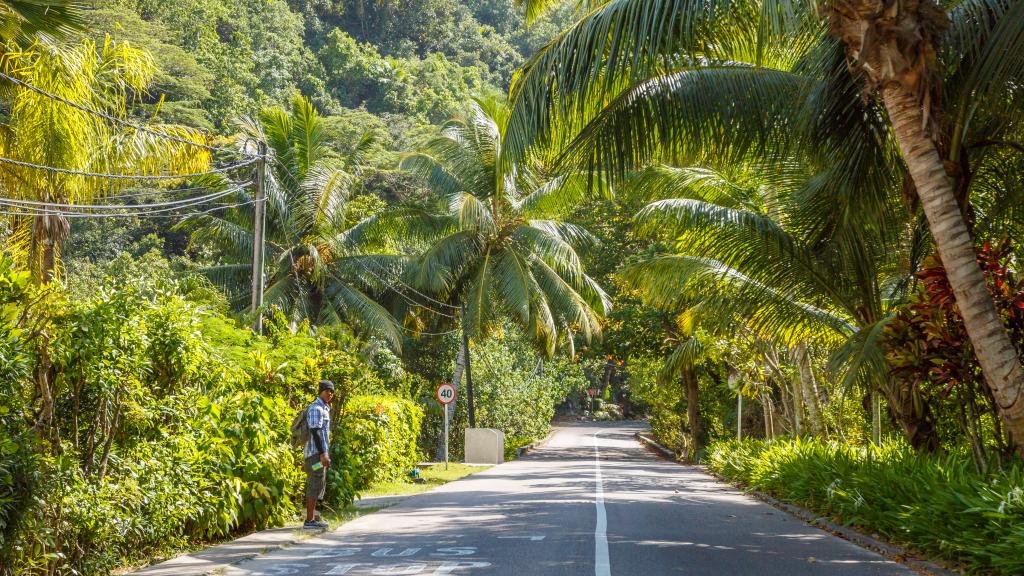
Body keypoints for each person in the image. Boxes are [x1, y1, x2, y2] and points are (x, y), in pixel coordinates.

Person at [303, 379, 334, 529]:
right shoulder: (316, 408)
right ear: (320, 391)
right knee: (315, 483)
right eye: (327, 390)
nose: (330, 393)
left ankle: (313, 518)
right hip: (315, 455)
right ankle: (309, 521)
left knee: (318, 483)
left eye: (332, 391)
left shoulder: (325, 408)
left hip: (319, 456)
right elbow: (315, 432)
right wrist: (323, 454)